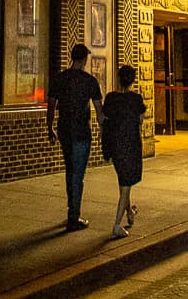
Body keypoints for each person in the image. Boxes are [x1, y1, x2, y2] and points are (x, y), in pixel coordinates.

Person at [47, 42, 104, 230]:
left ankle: (71, 209)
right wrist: (105, 131)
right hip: (81, 132)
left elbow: (52, 105)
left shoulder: (60, 78)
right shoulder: (90, 81)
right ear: (85, 59)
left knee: (70, 171)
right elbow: (99, 111)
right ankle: (74, 216)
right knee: (77, 174)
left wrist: (50, 127)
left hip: (64, 129)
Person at [101, 64, 146, 237]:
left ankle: (129, 213)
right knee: (126, 185)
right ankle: (117, 224)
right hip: (131, 145)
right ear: (132, 80)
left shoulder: (111, 98)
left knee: (124, 182)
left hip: (114, 145)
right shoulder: (136, 99)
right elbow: (140, 121)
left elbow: (105, 119)